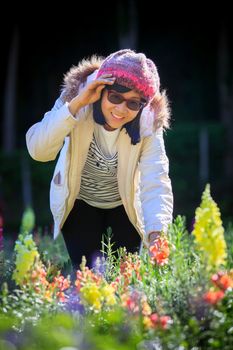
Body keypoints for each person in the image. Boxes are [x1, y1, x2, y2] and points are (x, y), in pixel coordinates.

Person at [26, 49, 173, 269]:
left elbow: (156, 181)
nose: (121, 109)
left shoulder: (148, 122)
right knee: (87, 276)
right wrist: (76, 104)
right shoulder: (76, 101)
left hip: (125, 206)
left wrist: (157, 235)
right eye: (115, 97)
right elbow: (39, 150)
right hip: (80, 202)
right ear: (101, 90)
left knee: (126, 276)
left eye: (133, 103)